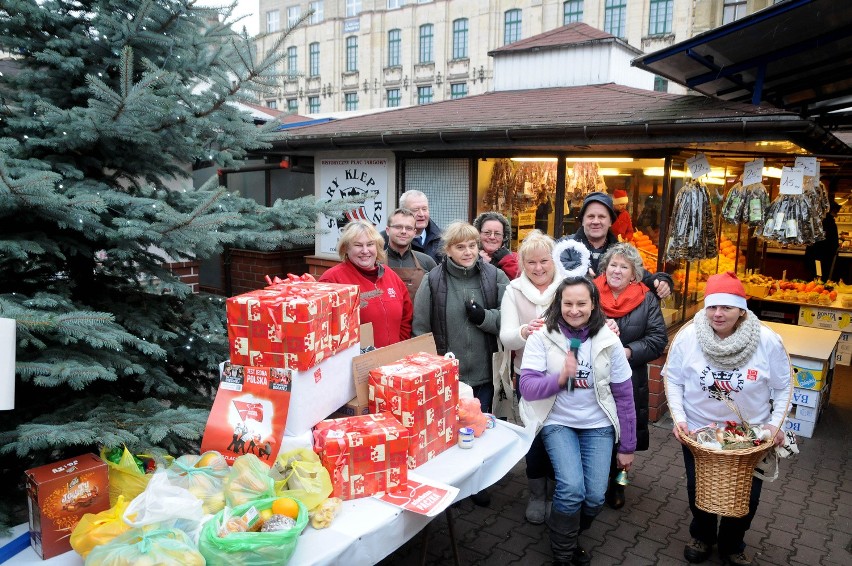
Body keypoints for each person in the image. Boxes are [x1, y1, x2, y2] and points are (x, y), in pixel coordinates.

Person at [664, 271, 792, 566]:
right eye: (712, 306)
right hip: (699, 431)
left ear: (742, 309)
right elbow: (673, 379)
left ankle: (733, 544)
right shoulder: (688, 337)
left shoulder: (767, 341)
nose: (718, 314)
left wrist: (775, 425)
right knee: (699, 487)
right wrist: (680, 418)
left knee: (747, 497)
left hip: (748, 436)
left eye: (727, 307)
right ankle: (703, 536)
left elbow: (784, 386)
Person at [519, 276, 636, 566]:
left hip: (598, 426)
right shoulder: (541, 337)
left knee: (595, 496)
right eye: (568, 303)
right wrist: (559, 379)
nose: (574, 310)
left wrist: (628, 446)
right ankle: (563, 552)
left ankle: (567, 533)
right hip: (557, 421)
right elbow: (528, 388)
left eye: (581, 303)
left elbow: (624, 396)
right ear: (559, 304)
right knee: (571, 490)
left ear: (593, 304)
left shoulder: (609, 340)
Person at [413, 221, 509, 507]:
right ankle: (452, 484)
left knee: (479, 430)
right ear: (448, 250)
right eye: (460, 246)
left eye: (472, 245)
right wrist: (434, 367)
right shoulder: (433, 281)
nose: (468, 252)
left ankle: (478, 483)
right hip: (448, 376)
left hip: (483, 372)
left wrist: (484, 318)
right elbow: (420, 330)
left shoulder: (495, 276)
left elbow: (509, 318)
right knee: (447, 432)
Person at [593, 243, 668, 510]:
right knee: (598, 426)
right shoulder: (590, 292)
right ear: (605, 267)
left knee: (624, 431)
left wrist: (628, 351)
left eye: (624, 266)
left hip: (630, 376)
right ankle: (596, 479)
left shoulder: (646, 299)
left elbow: (659, 339)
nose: (617, 270)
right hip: (595, 376)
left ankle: (619, 483)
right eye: (613, 264)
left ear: (634, 274)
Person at [500, 230, 561, 525]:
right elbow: (506, 337)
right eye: (531, 262)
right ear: (523, 264)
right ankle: (537, 493)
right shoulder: (513, 291)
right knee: (535, 436)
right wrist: (524, 331)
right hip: (530, 377)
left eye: (544, 261)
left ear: (554, 261)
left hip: (564, 378)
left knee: (561, 434)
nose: (538, 268)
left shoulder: (569, 286)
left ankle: (557, 492)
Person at [319, 220, 413, 348]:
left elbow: (406, 319)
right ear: (346, 248)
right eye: (358, 245)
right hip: (356, 364)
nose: (365, 250)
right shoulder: (332, 280)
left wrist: (397, 349)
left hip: (392, 362)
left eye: (370, 244)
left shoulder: (391, 276)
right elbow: (323, 330)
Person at [562, 191, 673, 299]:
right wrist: (581, 271)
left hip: (612, 317)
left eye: (602, 217)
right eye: (591, 216)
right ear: (582, 220)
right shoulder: (564, 247)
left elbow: (642, 276)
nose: (596, 221)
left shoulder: (621, 252)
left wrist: (662, 280)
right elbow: (554, 268)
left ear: (610, 221)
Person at [383, 207, 437, 301]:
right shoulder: (375, 262)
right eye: (398, 227)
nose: (403, 231)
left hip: (418, 316)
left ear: (414, 232)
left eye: (408, 228)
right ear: (387, 230)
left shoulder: (427, 262)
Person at [399, 189, 443, 262]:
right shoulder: (388, 239)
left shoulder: (444, 238)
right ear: (403, 212)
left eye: (424, 209)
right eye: (415, 210)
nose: (421, 214)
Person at [473, 211, 520, 279]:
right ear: (478, 234)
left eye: (497, 234)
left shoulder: (516, 259)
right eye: (487, 232)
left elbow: (520, 282)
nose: (492, 237)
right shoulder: (469, 256)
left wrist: (507, 260)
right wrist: (478, 263)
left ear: (504, 237)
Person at [804, 200, 840, 281]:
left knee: (815, 277)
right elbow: (833, 242)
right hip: (822, 257)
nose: (836, 214)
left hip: (813, 255)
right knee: (820, 278)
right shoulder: (829, 222)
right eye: (835, 212)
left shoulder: (817, 220)